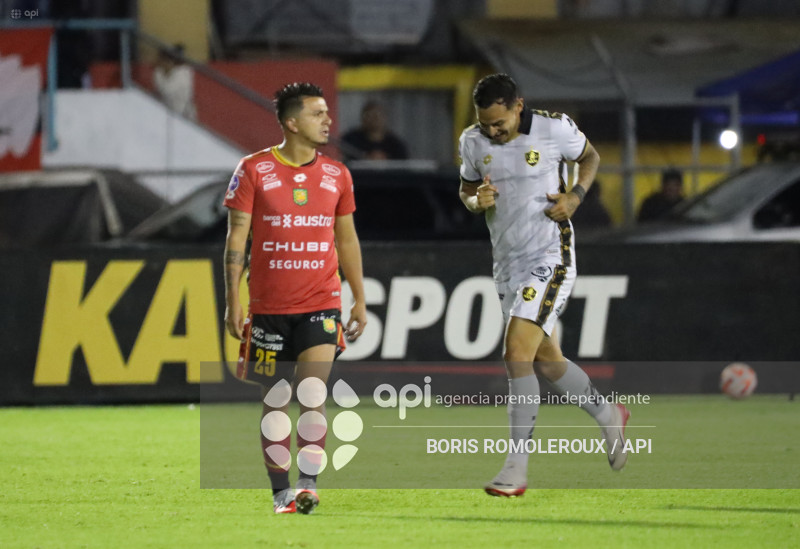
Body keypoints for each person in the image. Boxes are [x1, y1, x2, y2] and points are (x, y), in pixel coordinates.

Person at [458, 73, 630, 497]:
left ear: (519, 106)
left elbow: (590, 157)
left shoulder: (555, 128)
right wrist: (473, 200)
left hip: (549, 256)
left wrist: (575, 197)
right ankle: (609, 414)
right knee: (547, 362)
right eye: (486, 124)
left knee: (516, 351)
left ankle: (515, 469)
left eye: (499, 123)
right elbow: (466, 187)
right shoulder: (472, 140)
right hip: (506, 264)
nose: (493, 133)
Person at [223, 82, 367, 514]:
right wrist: (233, 297)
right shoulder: (253, 170)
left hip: (321, 302)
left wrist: (359, 297)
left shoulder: (337, 174)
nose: (328, 121)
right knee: (274, 400)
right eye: (317, 114)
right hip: (268, 309)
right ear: (291, 122)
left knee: (311, 392)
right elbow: (237, 237)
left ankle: (307, 484)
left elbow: (347, 239)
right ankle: (279, 492)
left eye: (327, 113)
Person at [341, 101, 409, 161]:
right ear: (362, 118)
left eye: (376, 116)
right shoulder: (350, 140)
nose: (373, 120)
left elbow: (402, 166)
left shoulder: (395, 144)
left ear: (385, 118)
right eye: (368, 116)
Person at [153, 44, 197, 120]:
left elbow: (167, 91)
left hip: (184, 115)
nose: (158, 62)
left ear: (170, 62)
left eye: (161, 60)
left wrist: (162, 75)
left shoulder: (183, 74)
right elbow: (159, 89)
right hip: (166, 113)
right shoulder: (158, 72)